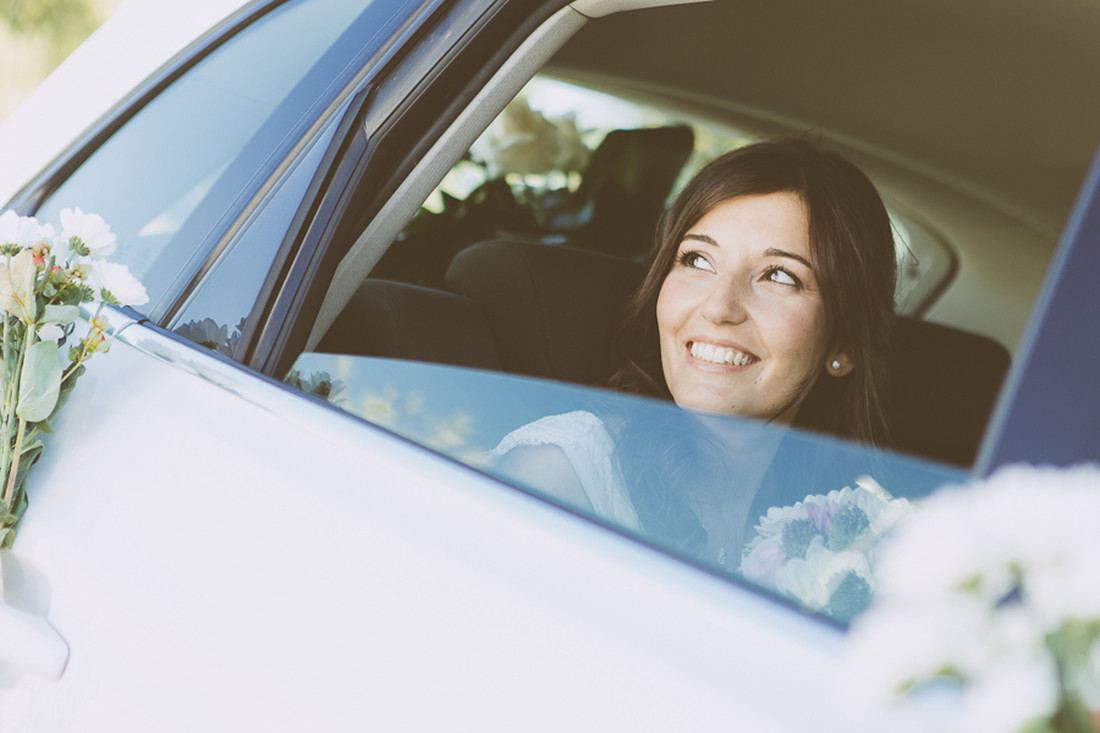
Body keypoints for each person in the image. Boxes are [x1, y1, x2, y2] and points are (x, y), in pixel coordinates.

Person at [489, 137, 897, 566]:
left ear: (844, 343)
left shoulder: (842, 530)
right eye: (698, 260)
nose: (719, 307)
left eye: (779, 275)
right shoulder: (560, 475)